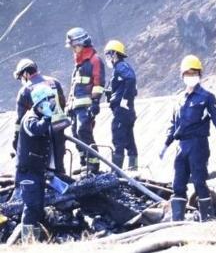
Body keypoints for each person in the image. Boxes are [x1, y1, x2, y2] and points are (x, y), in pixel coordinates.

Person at [160, 55, 216, 222]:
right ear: (182, 76)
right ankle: (177, 221)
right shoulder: (180, 99)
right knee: (178, 184)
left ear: (199, 75)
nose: (191, 76)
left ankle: (206, 219)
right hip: (181, 146)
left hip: (198, 144)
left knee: (199, 182)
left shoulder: (206, 97)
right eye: (187, 73)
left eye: (194, 73)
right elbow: (173, 126)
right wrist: (165, 145)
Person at [16, 84, 64, 242]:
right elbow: (36, 129)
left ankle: (36, 241)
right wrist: (48, 116)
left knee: (38, 208)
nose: (51, 104)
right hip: (27, 172)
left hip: (37, 171)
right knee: (31, 207)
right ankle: (28, 243)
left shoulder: (43, 119)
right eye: (48, 102)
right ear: (40, 103)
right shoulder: (30, 119)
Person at [12, 59, 67, 175]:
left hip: (41, 132)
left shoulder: (25, 90)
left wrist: (16, 140)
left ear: (26, 74)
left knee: (44, 167)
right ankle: (63, 181)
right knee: (59, 163)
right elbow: (62, 103)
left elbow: (20, 120)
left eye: (21, 76)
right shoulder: (54, 82)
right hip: (59, 127)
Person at [65, 27, 106, 174]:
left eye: (75, 46)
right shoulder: (79, 64)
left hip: (87, 106)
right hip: (76, 107)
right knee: (76, 134)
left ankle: (93, 165)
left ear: (83, 43)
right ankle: (83, 163)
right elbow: (74, 87)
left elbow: (99, 82)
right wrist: (69, 106)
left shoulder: (94, 60)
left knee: (84, 131)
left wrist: (95, 102)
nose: (73, 50)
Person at [103, 40, 138, 170]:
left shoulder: (121, 66)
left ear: (115, 55)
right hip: (126, 112)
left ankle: (116, 172)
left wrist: (124, 99)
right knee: (129, 140)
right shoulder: (119, 69)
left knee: (118, 140)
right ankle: (133, 169)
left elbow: (131, 79)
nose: (107, 58)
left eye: (108, 55)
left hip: (122, 111)